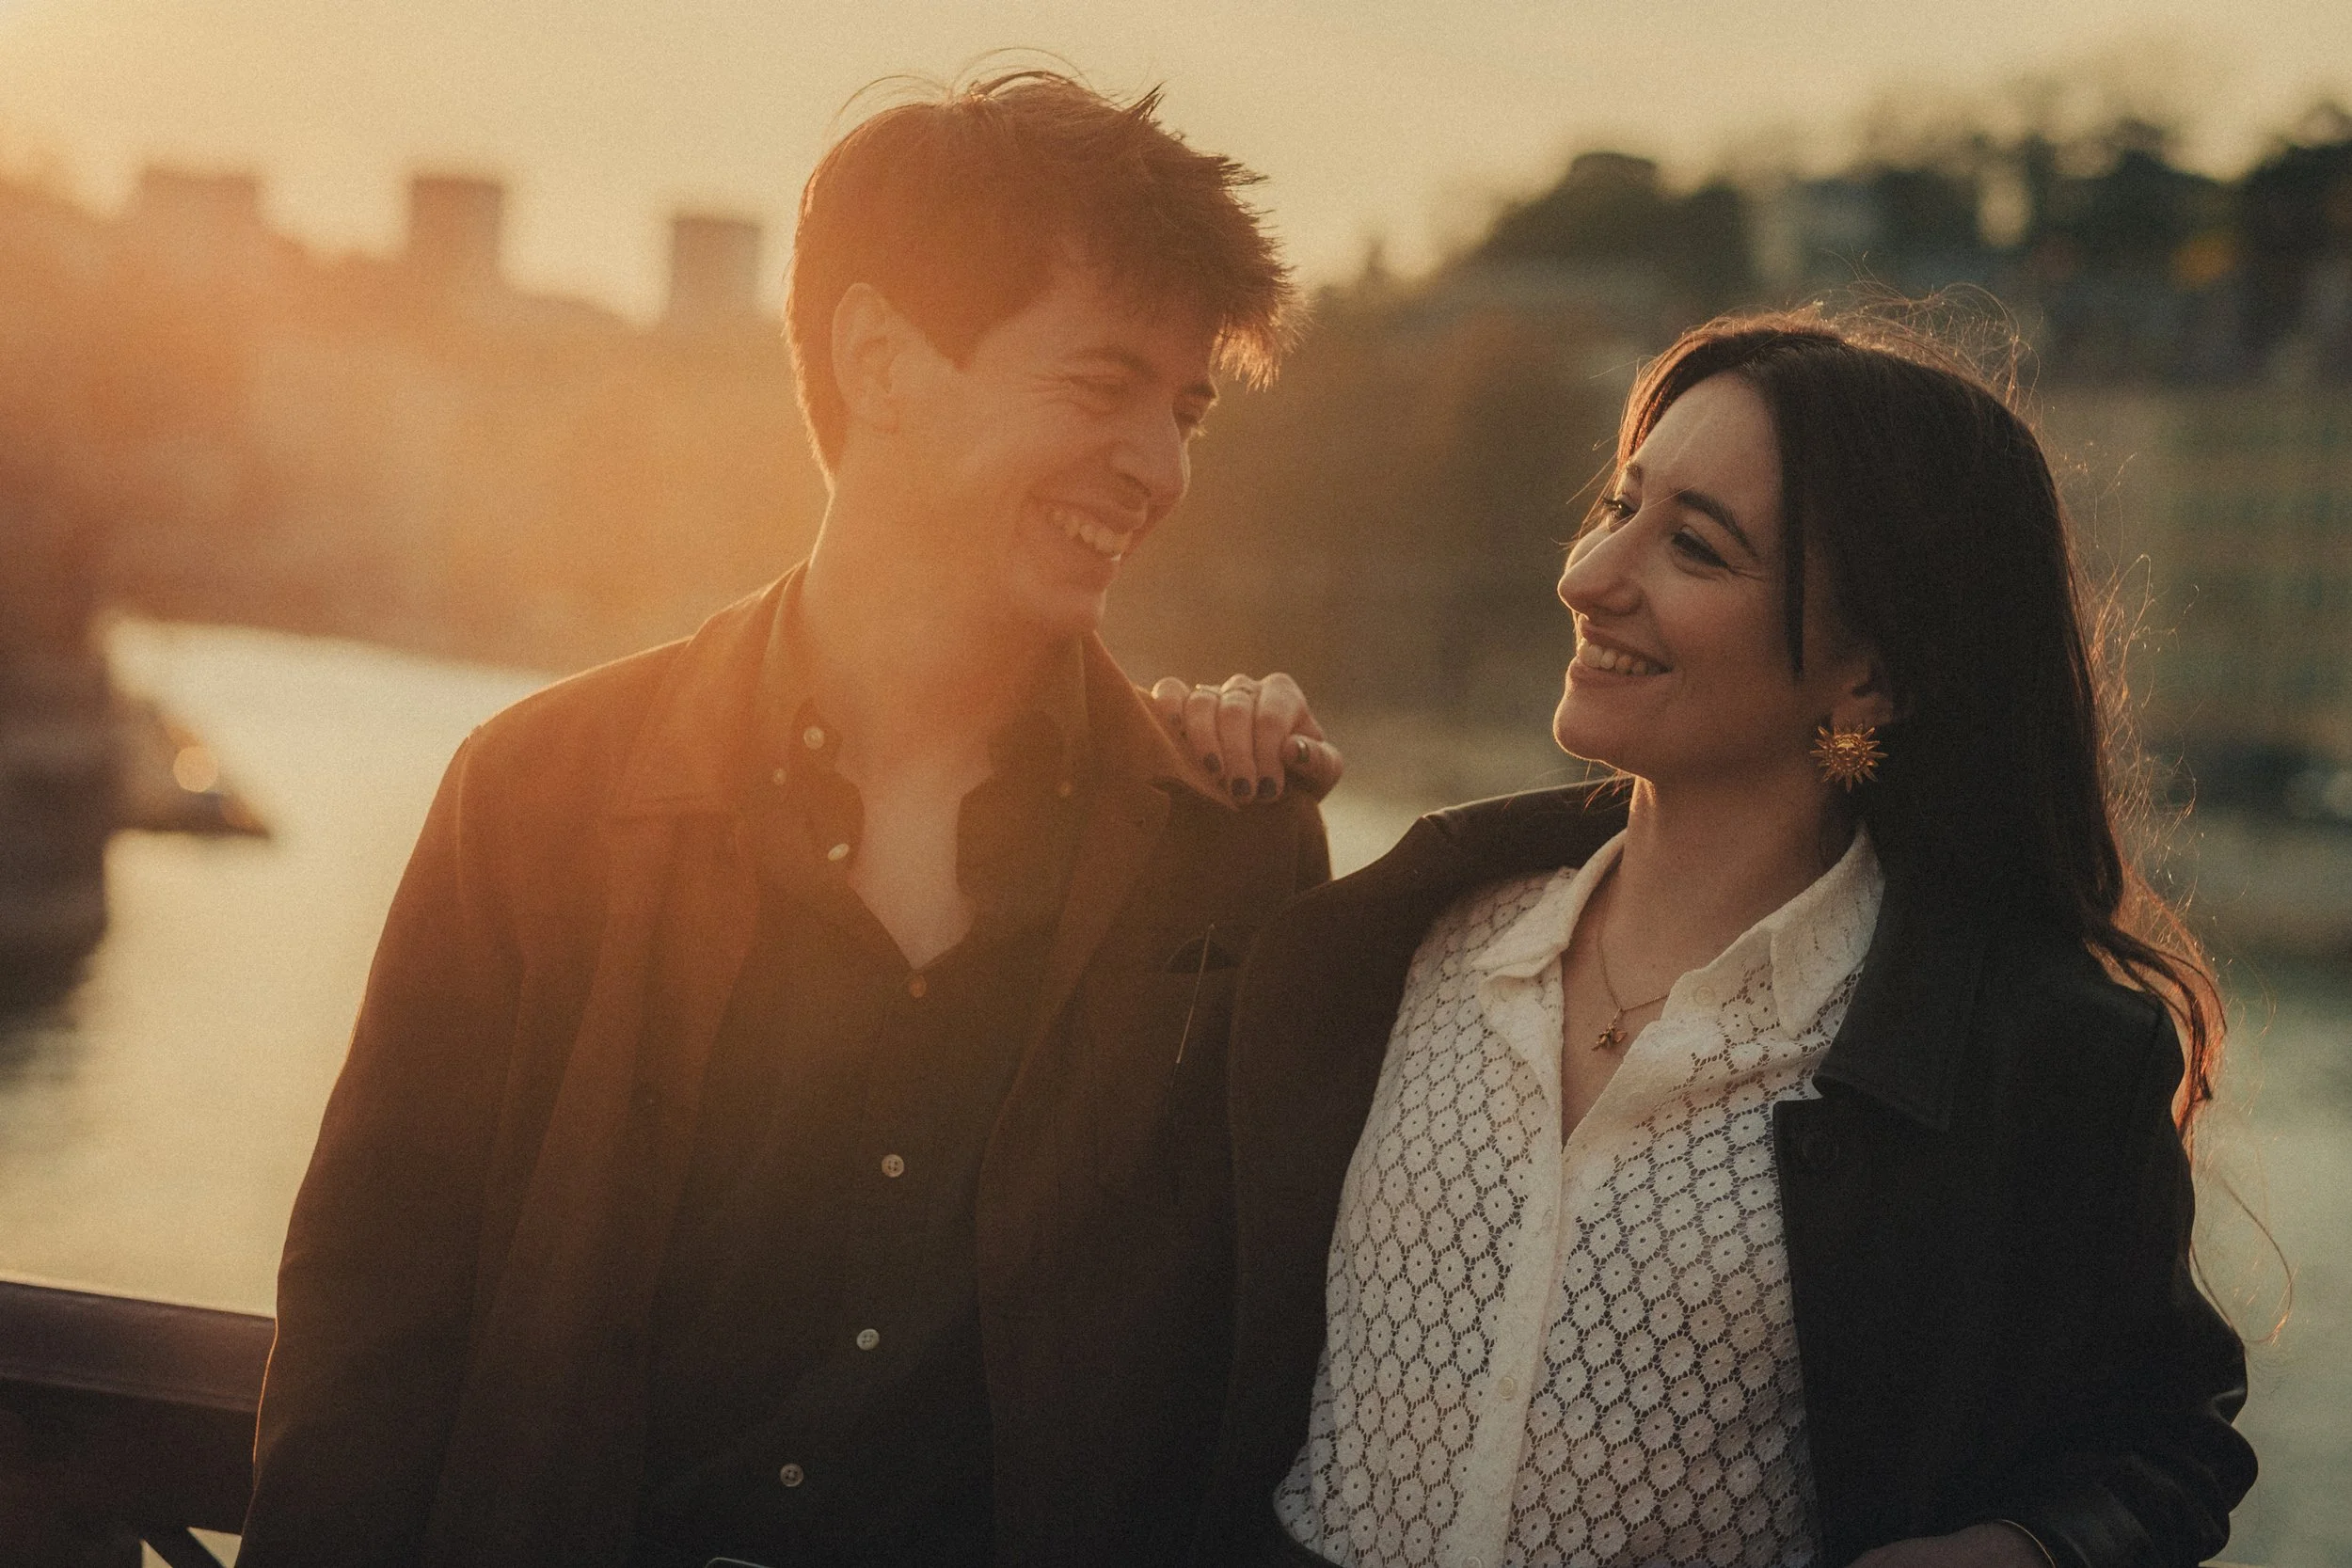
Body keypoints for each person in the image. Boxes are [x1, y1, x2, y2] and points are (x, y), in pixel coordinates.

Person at [239, 71, 1341, 1568]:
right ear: (881, 360)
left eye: (1185, 406)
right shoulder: (534, 793)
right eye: (1101, 386)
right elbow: (366, 1357)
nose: (1162, 466)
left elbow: (1263, 1391)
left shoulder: (1234, 848)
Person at [1199, 310, 2257, 1568]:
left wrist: (2021, 1547)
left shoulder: (2042, 1056)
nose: (1589, 575)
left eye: (1695, 547)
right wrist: (1178, 792)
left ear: (1871, 679)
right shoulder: (1398, 939)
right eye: (1621, 506)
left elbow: (2169, 1448)